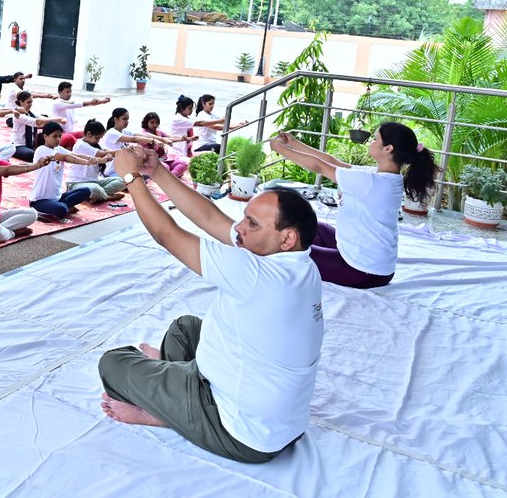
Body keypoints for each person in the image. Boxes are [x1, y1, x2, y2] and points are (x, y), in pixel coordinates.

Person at [98, 145, 322, 464]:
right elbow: (209, 216)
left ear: (286, 239)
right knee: (185, 328)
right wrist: (157, 171)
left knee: (114, 363)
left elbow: (166, 234)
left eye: (252, 224)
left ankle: (165, 413)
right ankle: (173, 397)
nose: (240, 229)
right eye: (245, 218)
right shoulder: (301, 265)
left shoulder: (259, 274)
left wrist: (131, 177)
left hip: (243, 433)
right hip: (279, 423)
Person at [271, 122, 436, 289]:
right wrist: (293, 144)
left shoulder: (373, 182)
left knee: (286, 248)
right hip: (374, 265)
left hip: (363, 271)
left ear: (388, 149)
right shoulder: (382, 176)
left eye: (374, 139)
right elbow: (331, 161)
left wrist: (280, 149)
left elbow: (319, 166)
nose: (370, 142)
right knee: (312, 227)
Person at [29, 121, 103, 218]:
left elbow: (74, 155)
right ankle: (54, 208)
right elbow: (66, 158)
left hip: (57, 198)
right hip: (39, 200)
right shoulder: (42, 150)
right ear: (45, 136)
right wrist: (87, 163)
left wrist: (98, 160)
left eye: (60, 136)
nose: (58, 139)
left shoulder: (58, 148)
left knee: (86, 191)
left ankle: (62, 206)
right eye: (55, 136)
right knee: (62, 210)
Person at [68, 120, 127, 202]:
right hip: (77, 183)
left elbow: (106, 151)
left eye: (100, 138)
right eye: (97, 138)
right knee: (95, 189)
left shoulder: (94, 144)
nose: (98, 140)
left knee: (123, 181)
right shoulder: (80, 145)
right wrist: (125, 151)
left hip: (94, 181)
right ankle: (105, 196)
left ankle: (96, 196)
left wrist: (111, 154)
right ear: (89, 134)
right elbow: (102, 154)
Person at [54, 81, 112, 148]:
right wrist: (92, 102)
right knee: (70, 138)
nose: (69, 94)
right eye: (67, 92)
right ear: (60, 92)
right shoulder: (57, 103)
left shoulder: (70, 102)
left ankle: (98, 150)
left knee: (86, 133)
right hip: (60, 135)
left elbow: (83, 104)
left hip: (69, 133)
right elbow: (80, 104)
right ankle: (84, 148)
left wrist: (102, 101)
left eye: (70, 92)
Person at [10, 90, 64, 163]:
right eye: (28, 102)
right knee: (32, 155)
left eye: (31, 102)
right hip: (19, 145)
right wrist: (57, 119)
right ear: (21, 102)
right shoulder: (18, 115)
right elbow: (35, 122)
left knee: (49, 143)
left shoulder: (31, 113)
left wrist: (56, 120)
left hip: (31, 144)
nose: (30, 104)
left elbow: (42, 119)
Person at [140, 112, 193, 178]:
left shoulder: (158, 131)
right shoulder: (143, 134)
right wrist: (162, 140)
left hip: (163, 159)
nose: (155, 125)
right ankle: (169, 177)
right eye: (152, 122)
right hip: (150, 162)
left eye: (156, 122)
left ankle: (172, 177)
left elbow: (170, 137)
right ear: (146, 123)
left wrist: (186, 138)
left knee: (184, 164)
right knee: (166, 167)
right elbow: (160, 138)